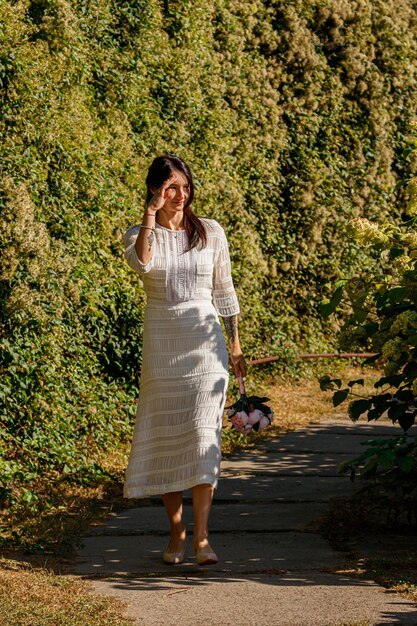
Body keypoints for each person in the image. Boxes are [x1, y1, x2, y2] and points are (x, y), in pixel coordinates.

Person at [123, 154, 246, 566]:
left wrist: (236, 345)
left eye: (185, 187)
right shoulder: (141, 232)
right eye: (170, 187)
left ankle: (203, 539)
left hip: (205, 341)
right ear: (155, 190)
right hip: (163, 340)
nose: (180, 195)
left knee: (202, 434)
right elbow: (142, 263)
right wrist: (149, 215)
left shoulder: (210, 231)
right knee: (169, 434)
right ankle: (177, 533)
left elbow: (224, 290)